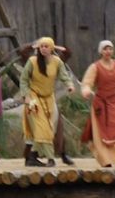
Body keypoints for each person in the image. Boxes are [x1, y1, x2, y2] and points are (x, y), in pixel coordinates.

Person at [19, 36, 77, 167]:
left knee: (53, 126)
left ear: (51, 48)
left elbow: (64, 74)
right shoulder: (32, 61)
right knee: (41, 127)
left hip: (49, 98)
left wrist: (69, 85)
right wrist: (26, 96)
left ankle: (33, 156)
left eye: (46, 46)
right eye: (41, 47)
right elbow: (23, 80)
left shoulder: (57, 61)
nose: (44, 49)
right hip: (34, 97)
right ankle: (50, 158)